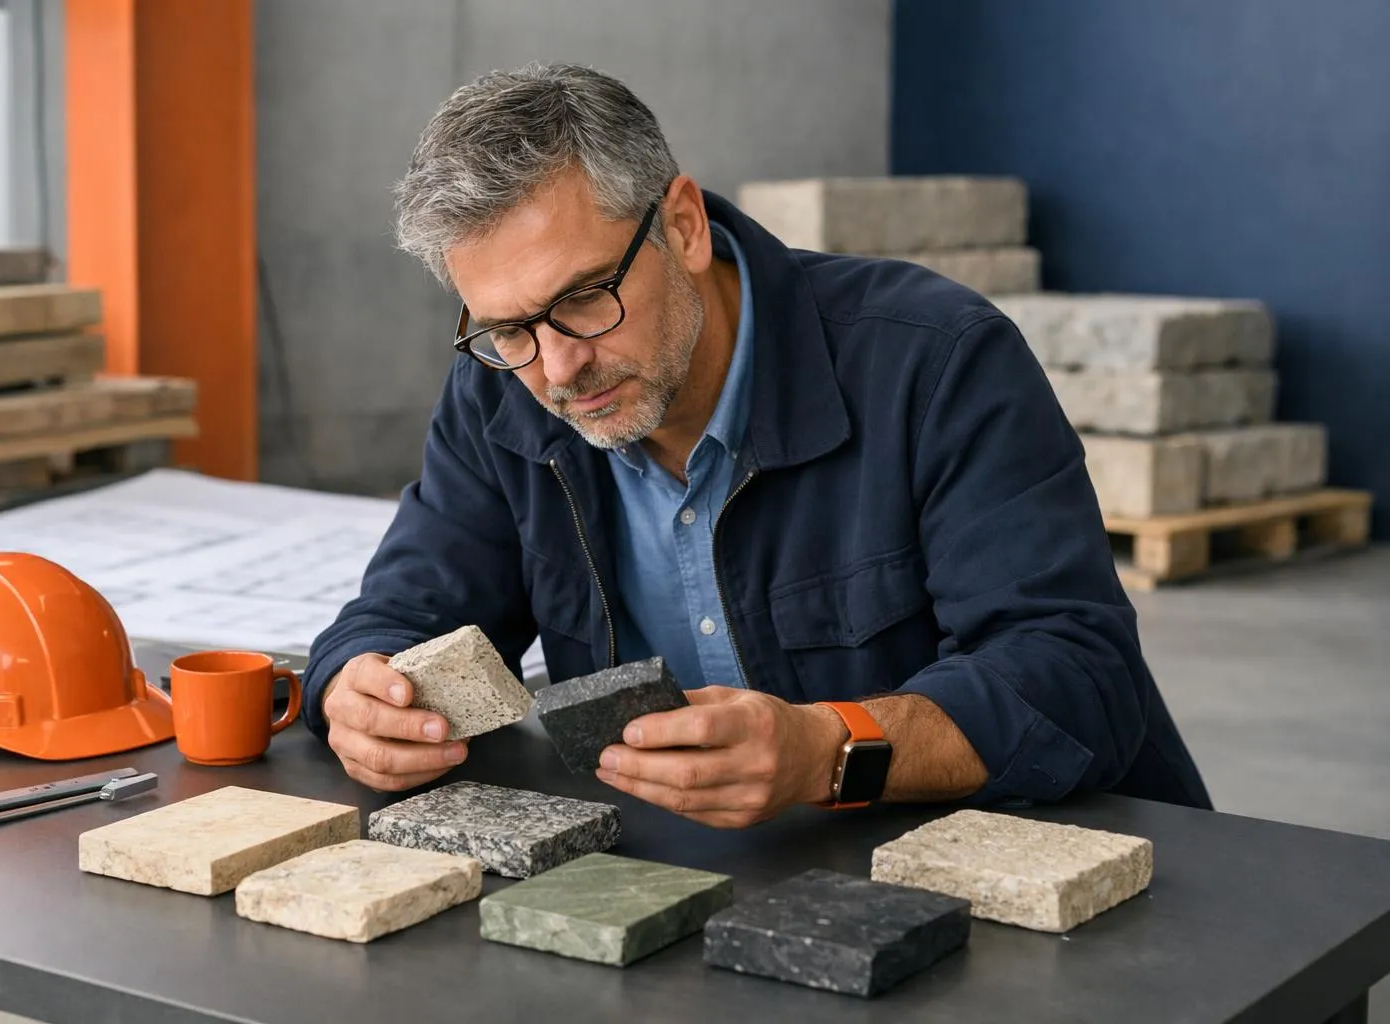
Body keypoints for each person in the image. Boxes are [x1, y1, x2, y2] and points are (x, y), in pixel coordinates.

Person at [301, 62, 1212, 827]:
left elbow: (1077, 678)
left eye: (584, 298)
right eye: (509, 329)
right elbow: (398, 617)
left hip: (1048, 881)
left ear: (684, 226)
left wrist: (831, 749)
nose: (560, 367)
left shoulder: (934, 362)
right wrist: (355, 693)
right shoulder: (509, 388)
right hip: (738, 895)